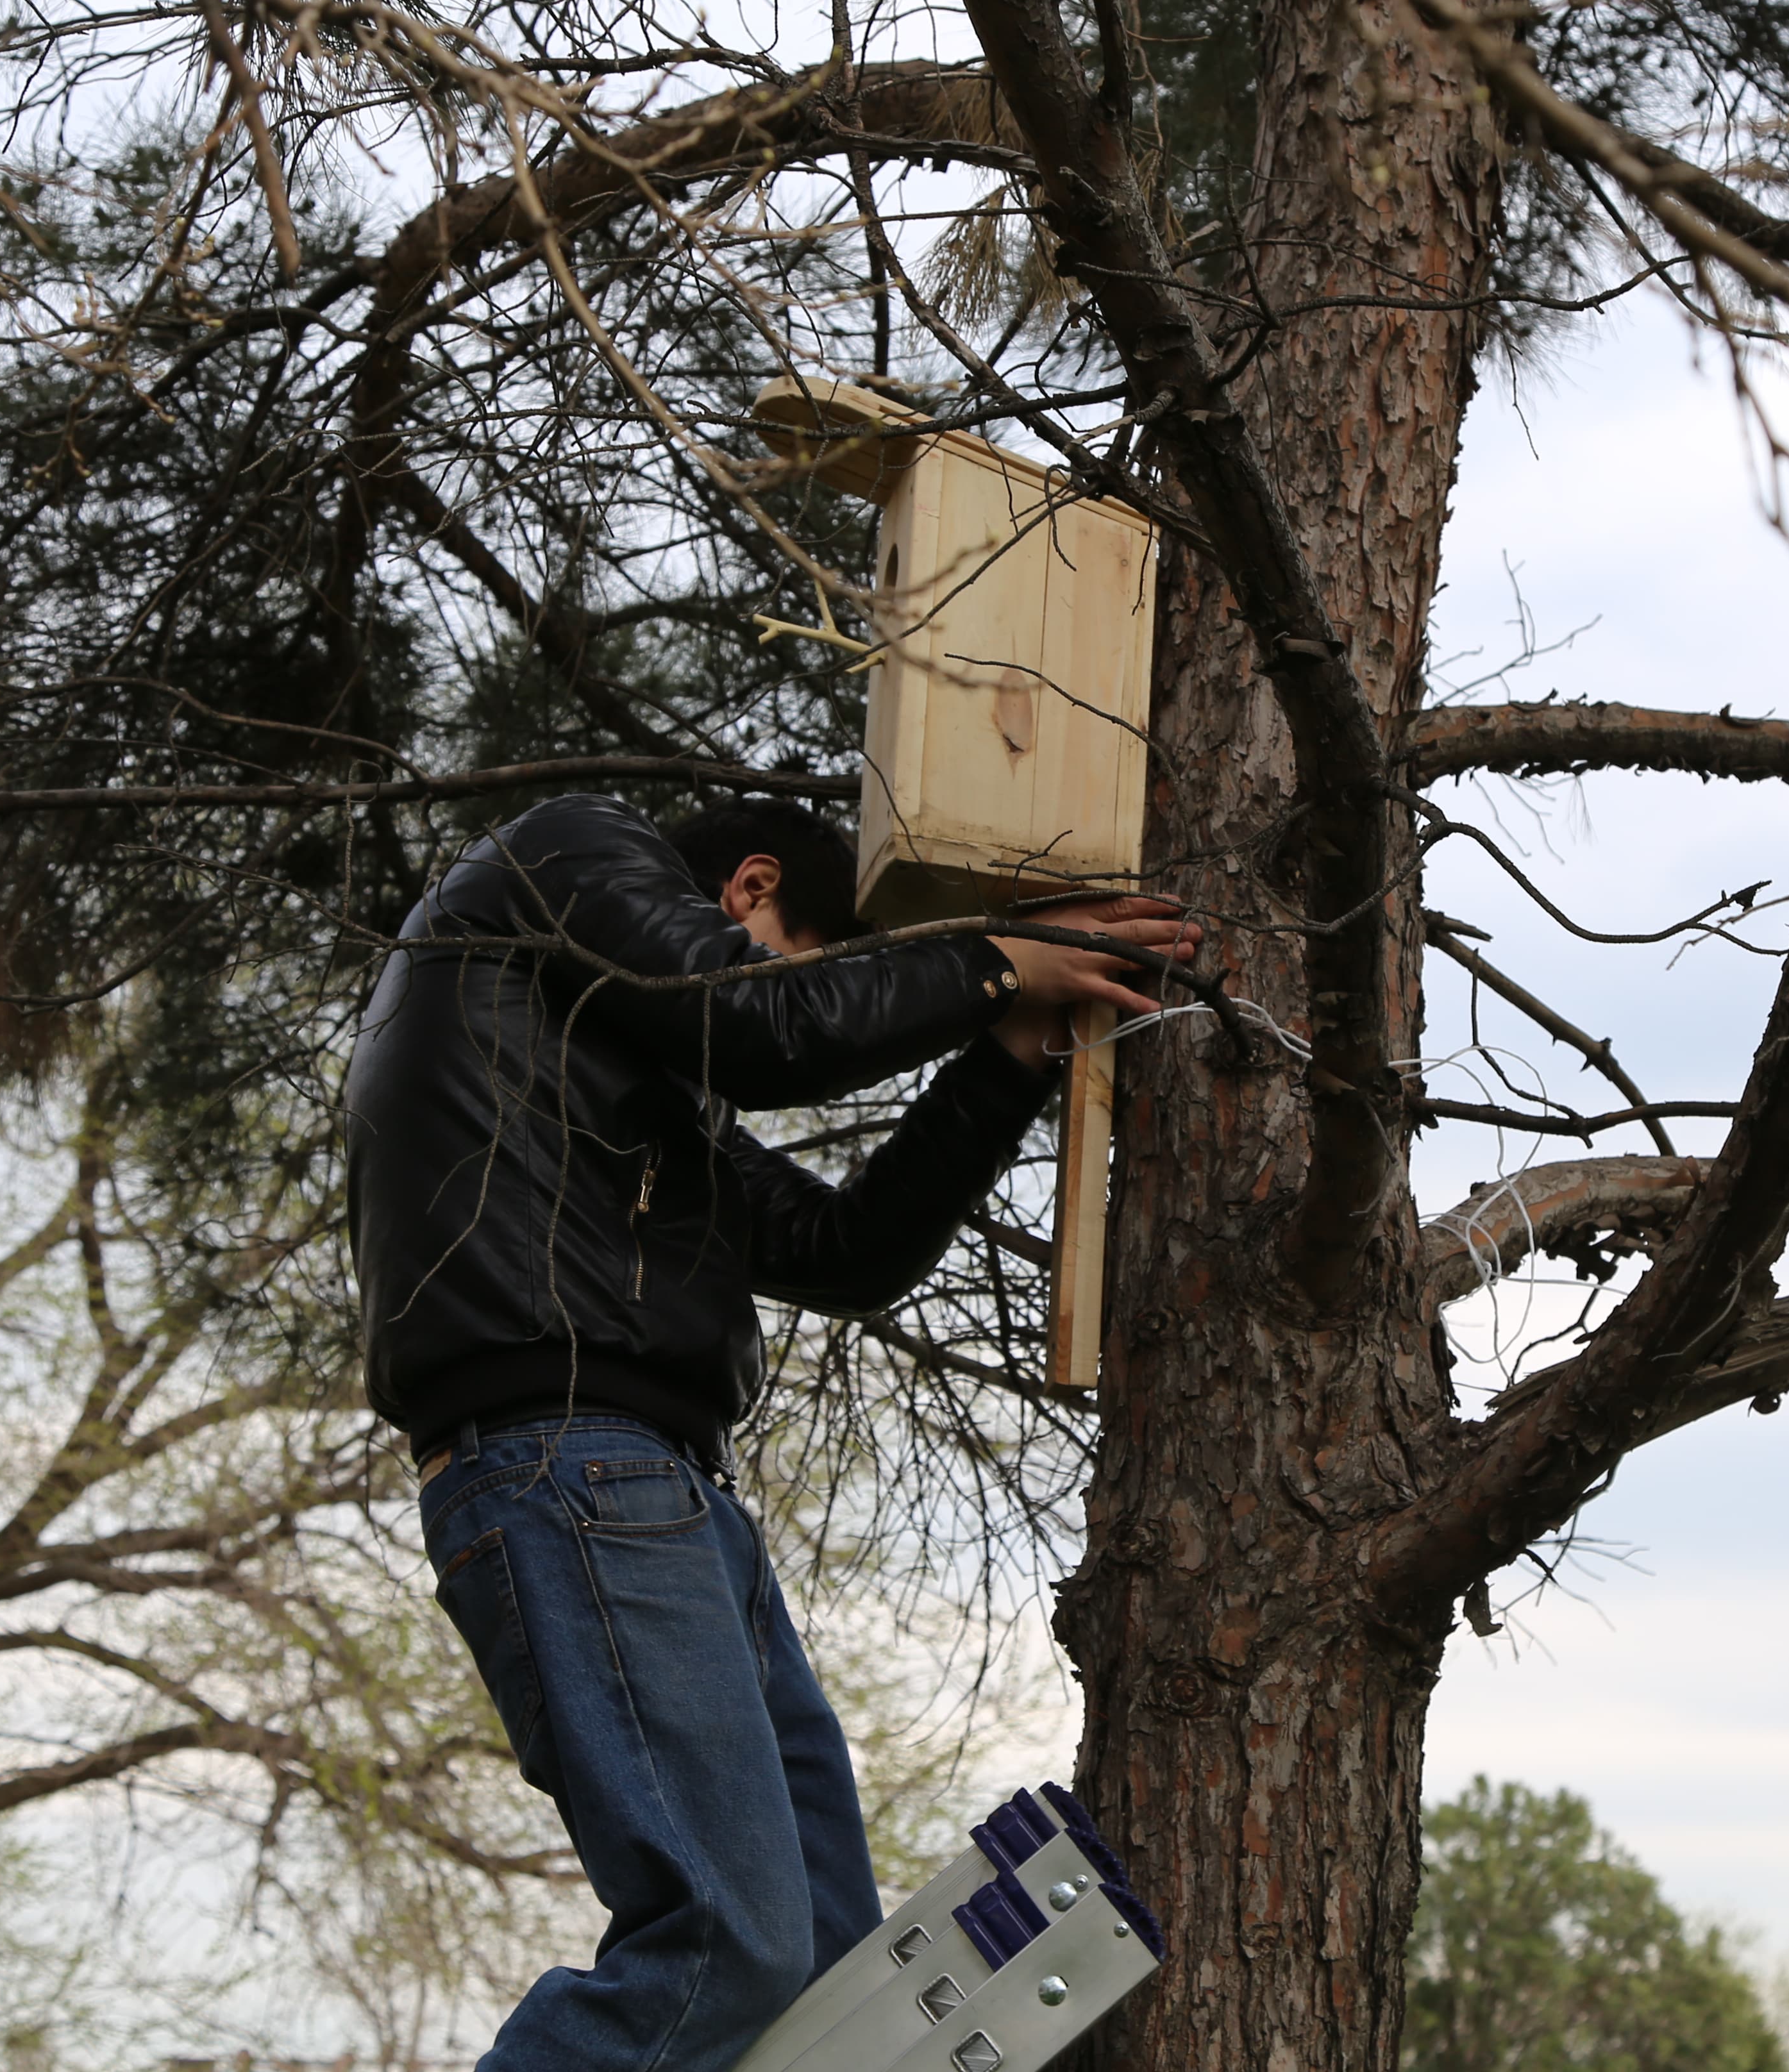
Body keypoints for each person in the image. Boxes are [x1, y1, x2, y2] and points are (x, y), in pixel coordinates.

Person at [342, 790, 1195, 2072]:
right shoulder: (569, 852)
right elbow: (765, 1026)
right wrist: (995, 961)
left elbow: (843, 1248)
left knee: (829, 2000)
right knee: (728, 1948)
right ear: (746, 893)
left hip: (654, 1489)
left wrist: (1009, 1044)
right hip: (573, 1463)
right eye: (813, 957)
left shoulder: (626, 1091)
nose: (812, 997)